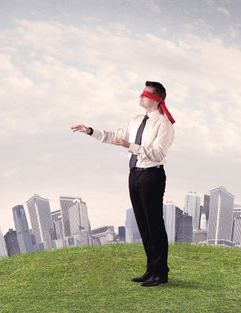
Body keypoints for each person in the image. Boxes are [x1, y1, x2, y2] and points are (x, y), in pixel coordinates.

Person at [71, 81, 175, 287]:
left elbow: (158, 154)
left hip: (151, 176)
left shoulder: (164, 125)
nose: (140, 96)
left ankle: (161, 272)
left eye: (145, 94)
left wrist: (131, 146)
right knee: (143, 225)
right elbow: (114, 136)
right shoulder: (136, 120)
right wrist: (90, 130)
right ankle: (150, 269)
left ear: (155, 99)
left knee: (154, 225)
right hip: (134, 174)